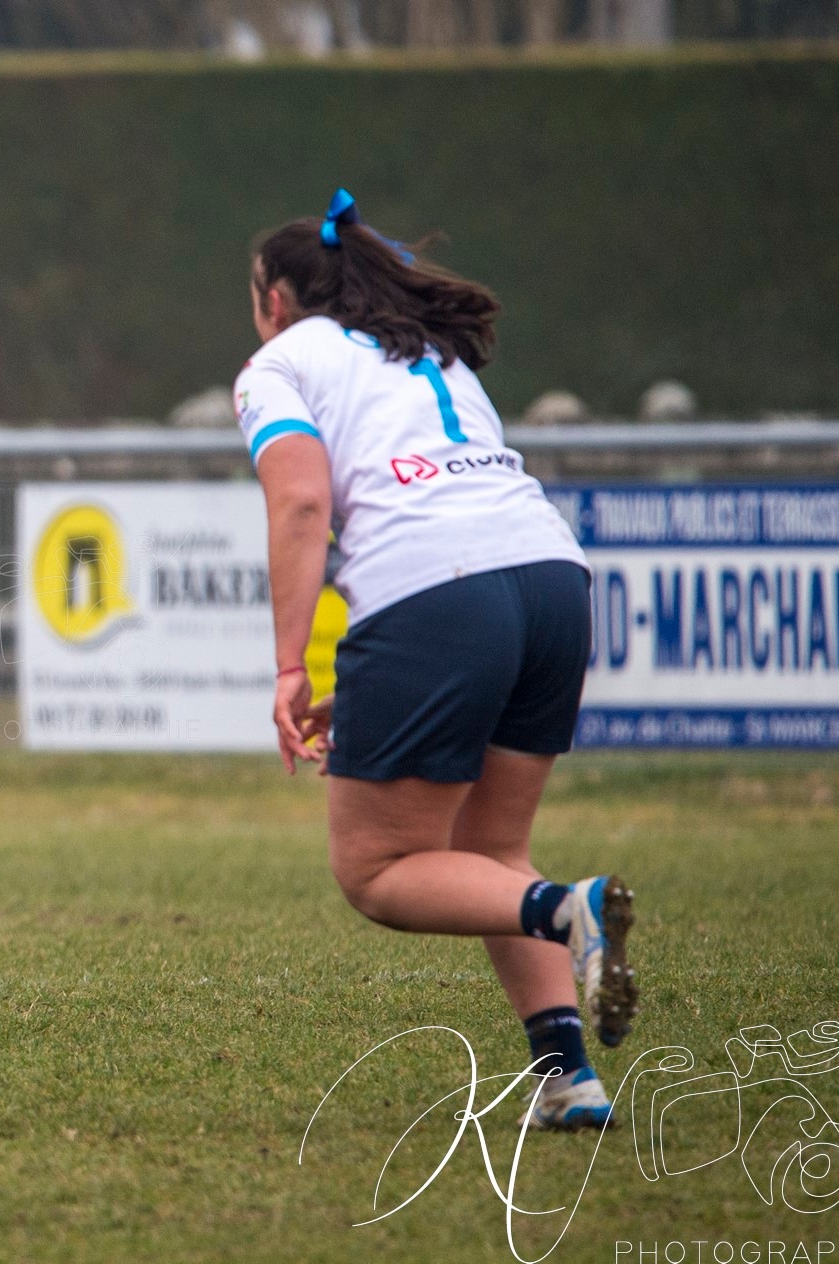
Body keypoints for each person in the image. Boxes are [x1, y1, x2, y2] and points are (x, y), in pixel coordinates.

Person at [235, 190, 637, 1129]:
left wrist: (290, 666)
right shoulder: (431, 349)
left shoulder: (276, 363)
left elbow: (300, 506)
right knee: (490, 854)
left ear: (279, 299)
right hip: (548, 580)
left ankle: (570, 908)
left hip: (436, 591)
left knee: (377, 870)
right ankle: (568, 1078)